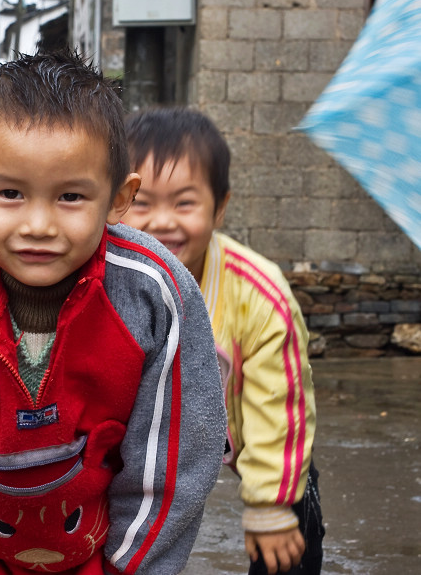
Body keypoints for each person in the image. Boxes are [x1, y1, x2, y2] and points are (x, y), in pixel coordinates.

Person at [0, 50, 227, 574]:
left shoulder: (155, 294)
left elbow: (175, 458)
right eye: (9, 193)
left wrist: (132, 568)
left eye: (71, 196)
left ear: (119, 199)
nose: (38, 224)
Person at [122, 107, 324, 575]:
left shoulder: (259, 293)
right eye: (143, 203)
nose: (161, 222)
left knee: (290, 525)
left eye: (185, 203)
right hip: (145, 434)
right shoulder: (101, 277)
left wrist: (270, 504)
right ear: (116, 200)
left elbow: (281, 405)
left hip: (245, 426)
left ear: (221, 206)